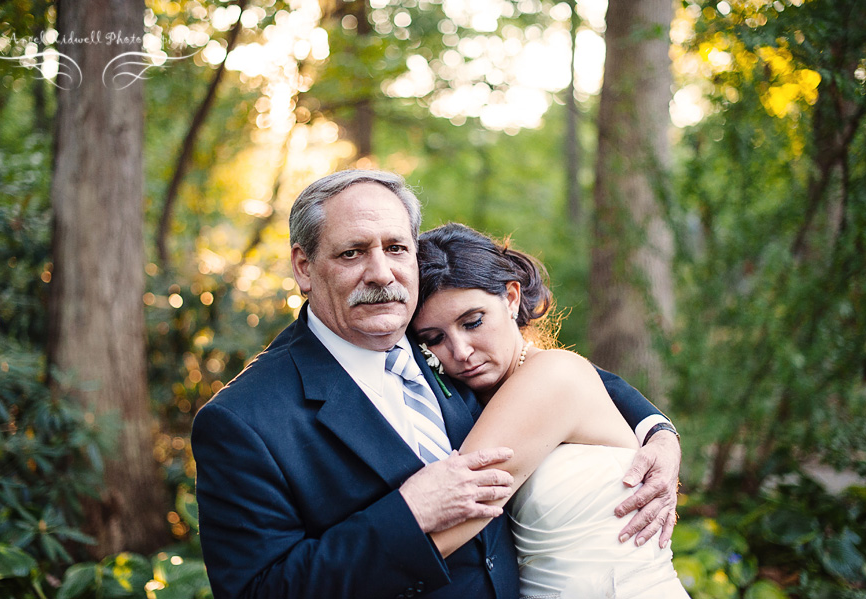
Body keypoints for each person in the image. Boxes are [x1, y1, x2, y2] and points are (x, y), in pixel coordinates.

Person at [191, 169, 682, 599]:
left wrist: (659, 431)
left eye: (396, 247)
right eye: (351, 252)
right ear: (304, 266)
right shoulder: (244, 420)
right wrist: (409, 514)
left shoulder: (433, 339)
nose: (381, 273)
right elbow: (260, 590)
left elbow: (559, 377)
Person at [410, 222, 689, 598]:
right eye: (434, 339)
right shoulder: (469, 399)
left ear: (511, 298)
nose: (460, 351)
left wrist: (323, 568)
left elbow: (450, 526)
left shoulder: (553, 375)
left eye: (473, 322)